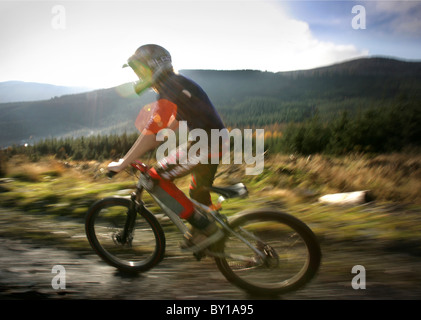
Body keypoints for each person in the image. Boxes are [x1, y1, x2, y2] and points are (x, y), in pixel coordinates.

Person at [107, 44, 225, 252]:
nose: (138, 75)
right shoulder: (176, 84)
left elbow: (151, 133)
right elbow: (173, 123)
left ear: (154, 67)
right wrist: (160, 137)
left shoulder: (169, 88)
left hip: (205, 144)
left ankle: (207, 228)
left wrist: (123, 162)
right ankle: (212, 235)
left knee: (155, 177)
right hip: (213, 141)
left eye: (140, 70)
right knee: (197, 192)